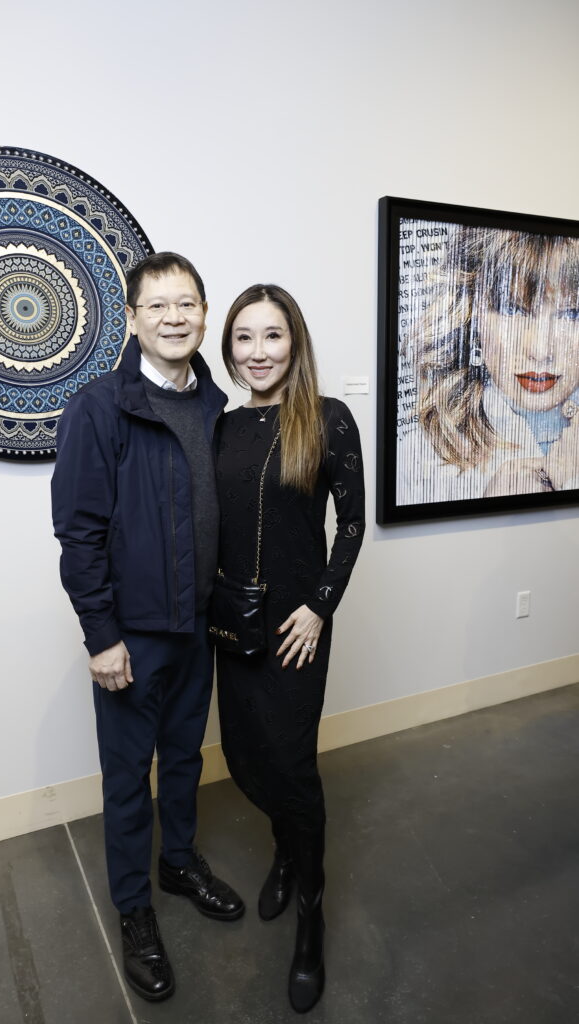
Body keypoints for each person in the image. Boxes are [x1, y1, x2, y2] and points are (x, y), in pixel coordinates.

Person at [51, 252, 244, 1003]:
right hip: (133, 633)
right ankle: (135, 910)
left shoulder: (213, 405)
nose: (174, 318)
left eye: (187, 304)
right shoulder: (100, 407)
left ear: (203, 314)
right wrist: (102, 637)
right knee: (130, 780)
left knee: (188, 760)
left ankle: (179, 863)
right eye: (157, 306)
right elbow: (79, 532)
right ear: (132, 319)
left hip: (198, 626)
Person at [214, 284, 365, 1013]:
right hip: (234, 625)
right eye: (244, 337)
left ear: (294, 342)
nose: (257, 352)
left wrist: (319, 607)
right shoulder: (220, 428)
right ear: (228, 347)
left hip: (297, 628)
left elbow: (353, 525)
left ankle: (311, 912)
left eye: (271, 336)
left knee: (292, 766)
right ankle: (282, 850)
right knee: (246, 759)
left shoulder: (327, 419)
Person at [397, 227, 579, 504]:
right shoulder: (422, 456)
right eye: (512, 310)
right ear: (472, 312)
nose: (541, 351)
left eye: (571, 313)